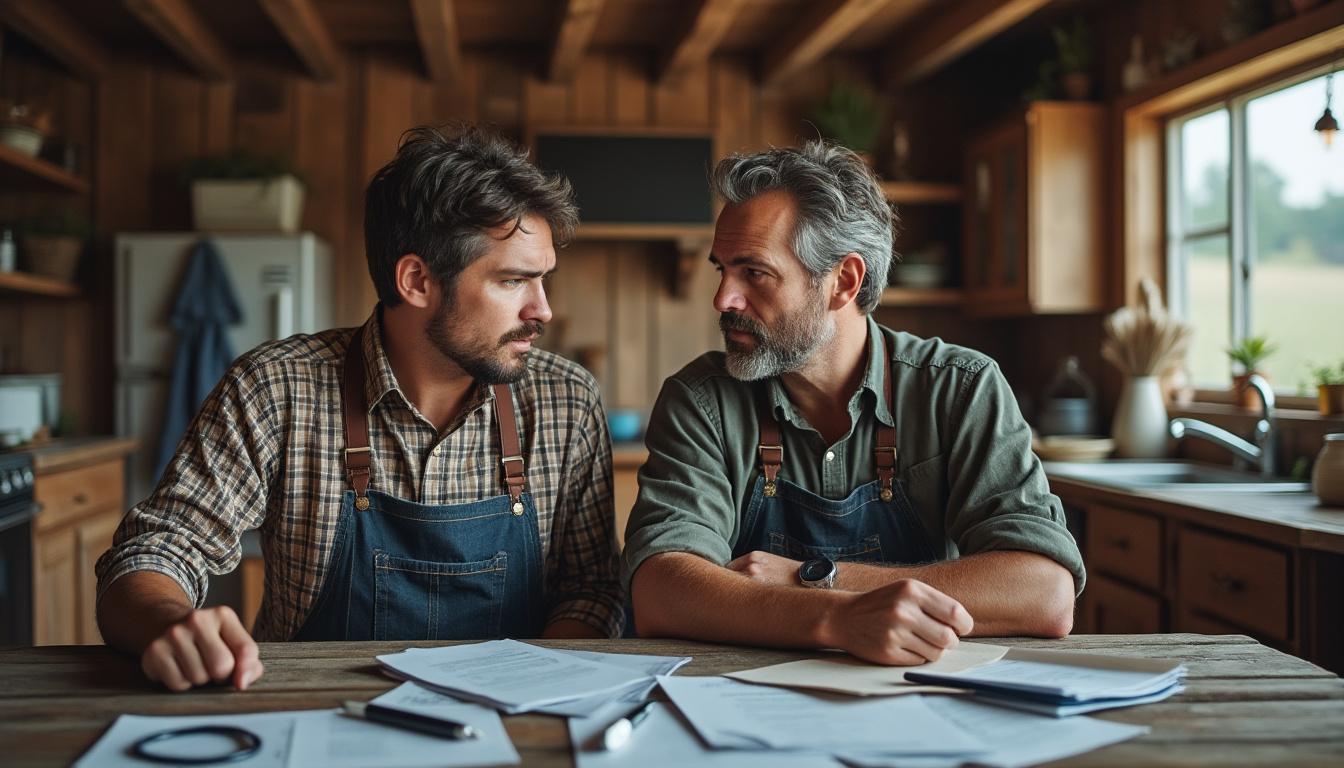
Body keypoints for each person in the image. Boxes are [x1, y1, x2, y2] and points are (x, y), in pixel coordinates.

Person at [97, 126, 624, 692]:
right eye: (514, 281)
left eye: (543, 279)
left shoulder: (566, 400)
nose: (542, 309)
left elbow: (590, 589)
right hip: (312, 712)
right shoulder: (277, 387)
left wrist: (525, 683)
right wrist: (169, 624)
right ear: (417, 280)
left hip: (514, 711)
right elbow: (157, 549)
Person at [623, 141, 1084, 665]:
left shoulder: (960, 388)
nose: (723, 299)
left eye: (753, 272)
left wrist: (817, 578)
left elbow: (1044, 592)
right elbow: (660, 589)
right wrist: (839, 617)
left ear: (843, 281)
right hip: (749, 693)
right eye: (721, 269)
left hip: (928, 689)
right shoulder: (701, 401)